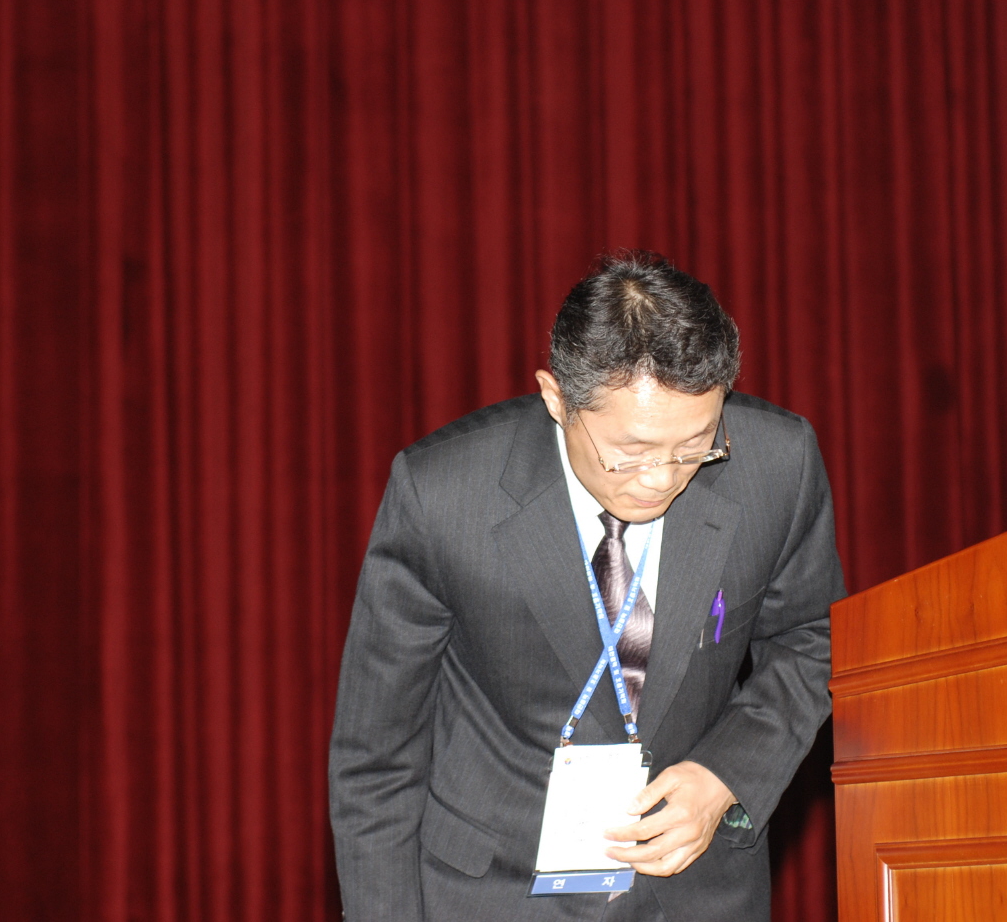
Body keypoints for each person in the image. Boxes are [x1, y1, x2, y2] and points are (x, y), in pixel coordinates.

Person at [330, 251, 844, 921]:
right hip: (494, 892)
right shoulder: (444, 496)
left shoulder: (776, 464)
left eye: (695, 446)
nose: (662, 479)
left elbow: (811, 638)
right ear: (556, 399)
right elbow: (376, 761)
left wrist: (726, 774)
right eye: (629, 453)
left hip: (697, 890)